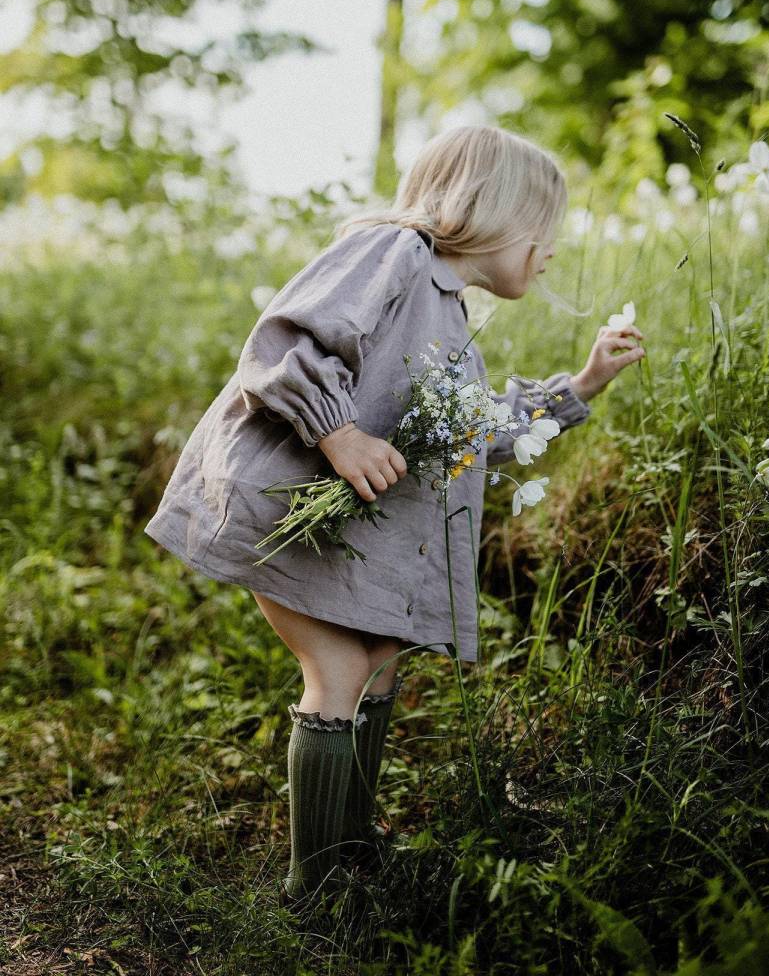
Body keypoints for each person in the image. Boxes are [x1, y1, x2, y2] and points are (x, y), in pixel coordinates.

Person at [143, 124, 645, 905]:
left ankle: (347, 850)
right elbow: (284, 341)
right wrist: (339, 434)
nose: (551, 252)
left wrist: (578, 387)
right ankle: (314, 893)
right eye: (545, 233)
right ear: (498, 213)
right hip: (285, 507)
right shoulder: (394, 253)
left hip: (342, 531)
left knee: (377, 664)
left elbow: (470, 430)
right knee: (340, 669)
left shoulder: (449, 319)